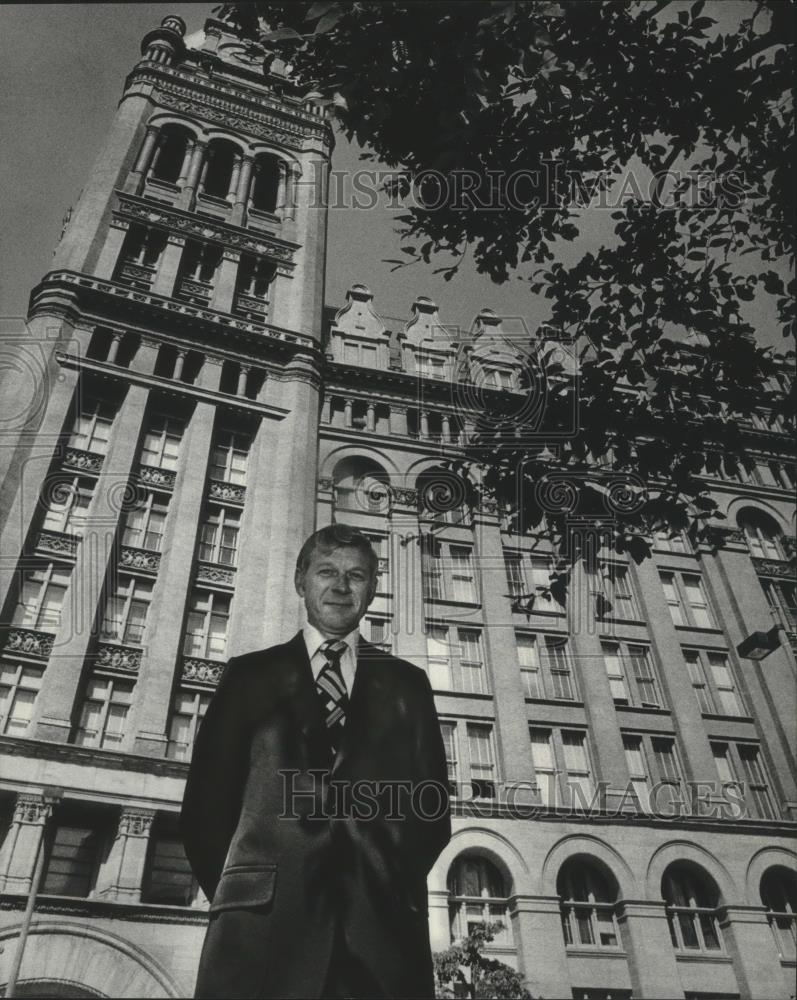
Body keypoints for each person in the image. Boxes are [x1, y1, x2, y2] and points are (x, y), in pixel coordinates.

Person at [181, 524, 451, 999]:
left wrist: (386, 883)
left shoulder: (409, 685)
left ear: (372, 589)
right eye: (326, 571)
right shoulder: (248, 677)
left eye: (357, 575)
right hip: (259, 937)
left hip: (381, 943)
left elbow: (431, 814)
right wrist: (247, 892)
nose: (341, 586)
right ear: (300, 580)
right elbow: (205, 809)